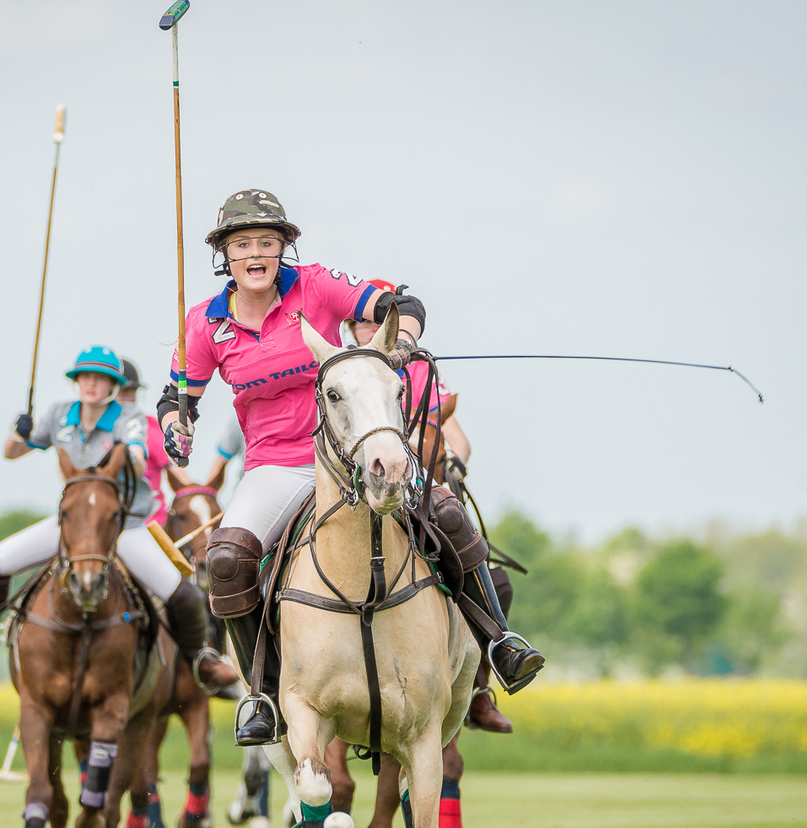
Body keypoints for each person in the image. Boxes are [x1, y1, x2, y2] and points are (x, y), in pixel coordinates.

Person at [156, 189, 544, 745]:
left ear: (284, 247)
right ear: (226, 256)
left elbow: (401, 305)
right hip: (273, 467)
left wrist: (403, 341)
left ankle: (500, 644)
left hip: (350, 458)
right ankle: (263, 695)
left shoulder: (314, 285)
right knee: (225, 560)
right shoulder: (204, 323)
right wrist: (178, 424)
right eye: (243, 245)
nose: (256, 253)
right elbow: (177, 396)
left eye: (268, 242)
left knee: (449, 516)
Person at [0, 345, 237, 690]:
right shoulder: (60, 414)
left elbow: (136, 457)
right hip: (71, 527)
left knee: (184, 595)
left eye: (101, 379)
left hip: (124, 527)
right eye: (85, 377)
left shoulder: (128, 418)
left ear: (113, 386)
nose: (91, 384)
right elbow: (11, 454)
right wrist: (19, 431)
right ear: (76, 381)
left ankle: (203, 661)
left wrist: (128, 453)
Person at [342, 288, 522, 731]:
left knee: (488, 566)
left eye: (386, 319)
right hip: (350, 479)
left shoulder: (415, 365)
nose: (377, 327)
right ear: (351, 326)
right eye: (368, 320)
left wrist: (454, 458)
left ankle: (490, 665)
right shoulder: (341, 368)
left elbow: (454, 432)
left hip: (412, 474)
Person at [118, 358, 171, 528]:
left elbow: (178, 474)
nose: (130, 398)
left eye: (132, 391)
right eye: (123, 391)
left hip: (150, 523)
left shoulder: (151, 426)